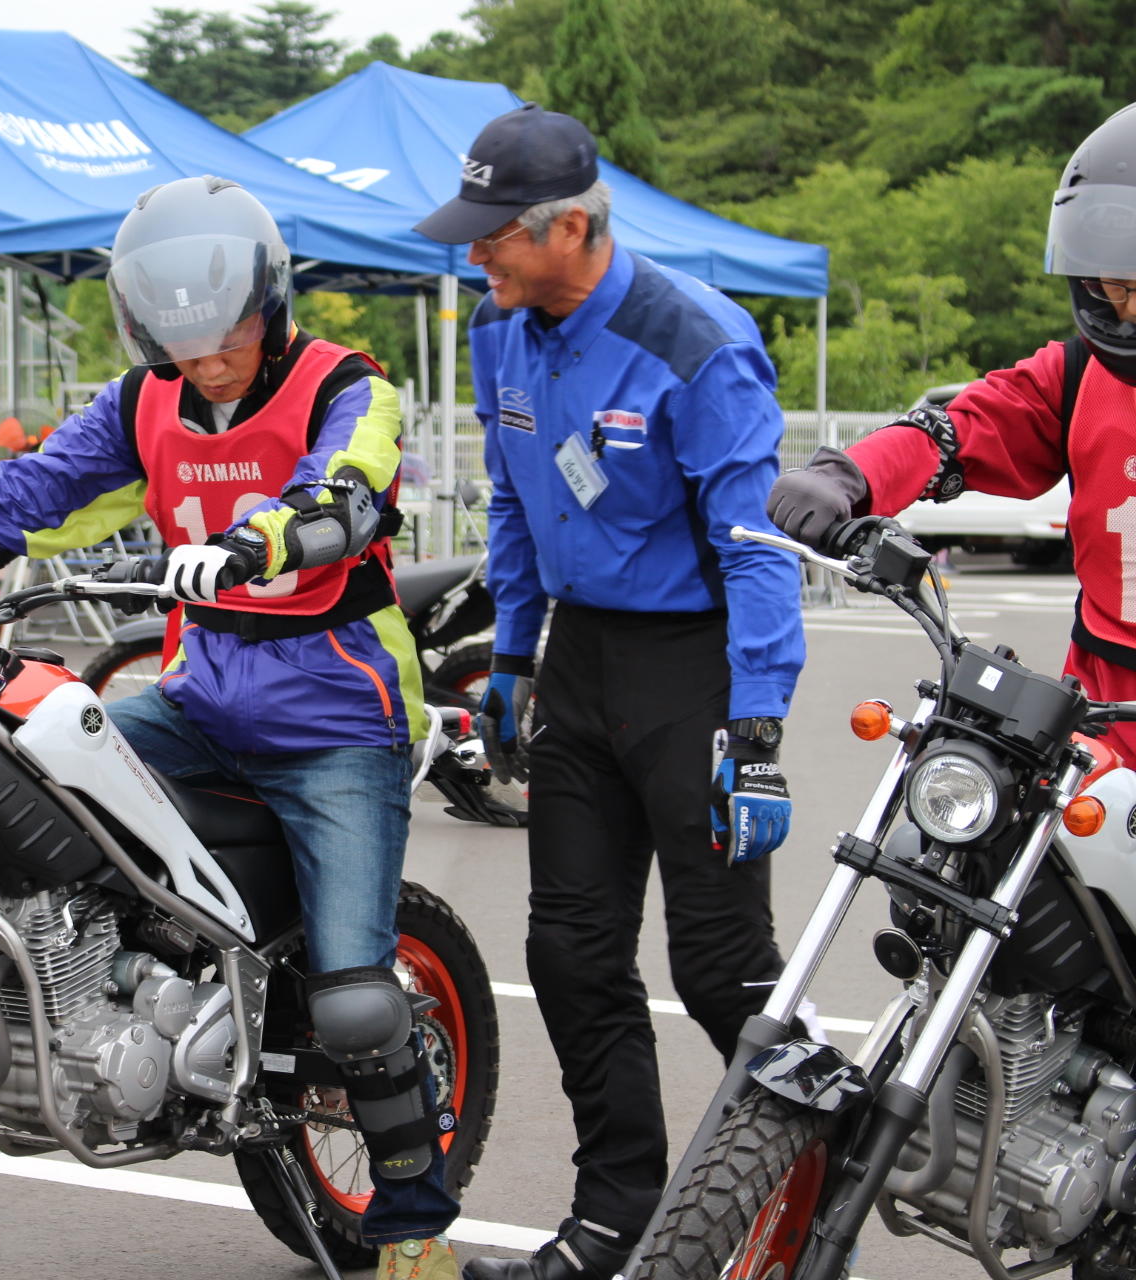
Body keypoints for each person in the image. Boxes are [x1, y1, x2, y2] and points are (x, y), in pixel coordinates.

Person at [0, 175, 462, 1279]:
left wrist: (264, 543)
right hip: (199, 699)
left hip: (339, 714)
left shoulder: (350, 383)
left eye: (228, 333)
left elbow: (349, 491)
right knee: (32, 766)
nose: (207, 361)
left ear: (271, 300)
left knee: (351, 995)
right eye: (180, 342)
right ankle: (115, 997)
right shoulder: (140, 401)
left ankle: (413, 1224)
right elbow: (25, 493)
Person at [413, 104, 806, 1280]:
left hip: (693, 670)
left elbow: (754, 549)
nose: (475, 254)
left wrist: (760, 727)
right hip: (579, 664)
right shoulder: (502, 331)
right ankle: (612, 1220)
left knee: (721, 969)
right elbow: (516, 501)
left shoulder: (697, 341)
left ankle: (807, 1177)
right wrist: (516, 654)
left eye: (496, 236)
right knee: (575, 956)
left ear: (572, 225)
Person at [770, 105, 1136, 762]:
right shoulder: (1079, 374)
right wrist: (851, 477)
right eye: (1117, 283)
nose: (1128, 309)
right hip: (1098, 721)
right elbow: (958, 431)